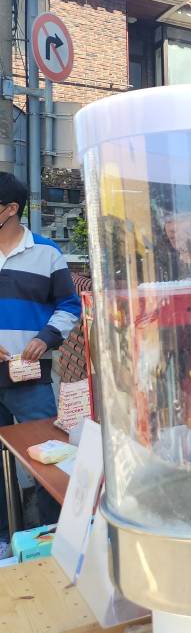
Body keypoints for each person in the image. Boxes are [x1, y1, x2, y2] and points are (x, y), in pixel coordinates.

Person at [0, 174, 82, 558]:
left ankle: (55, 534)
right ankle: (5, 538)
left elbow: (70, 306)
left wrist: (45, 337)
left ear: (10, 209)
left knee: (48, 457)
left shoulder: (47, 253)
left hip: (30, 379)